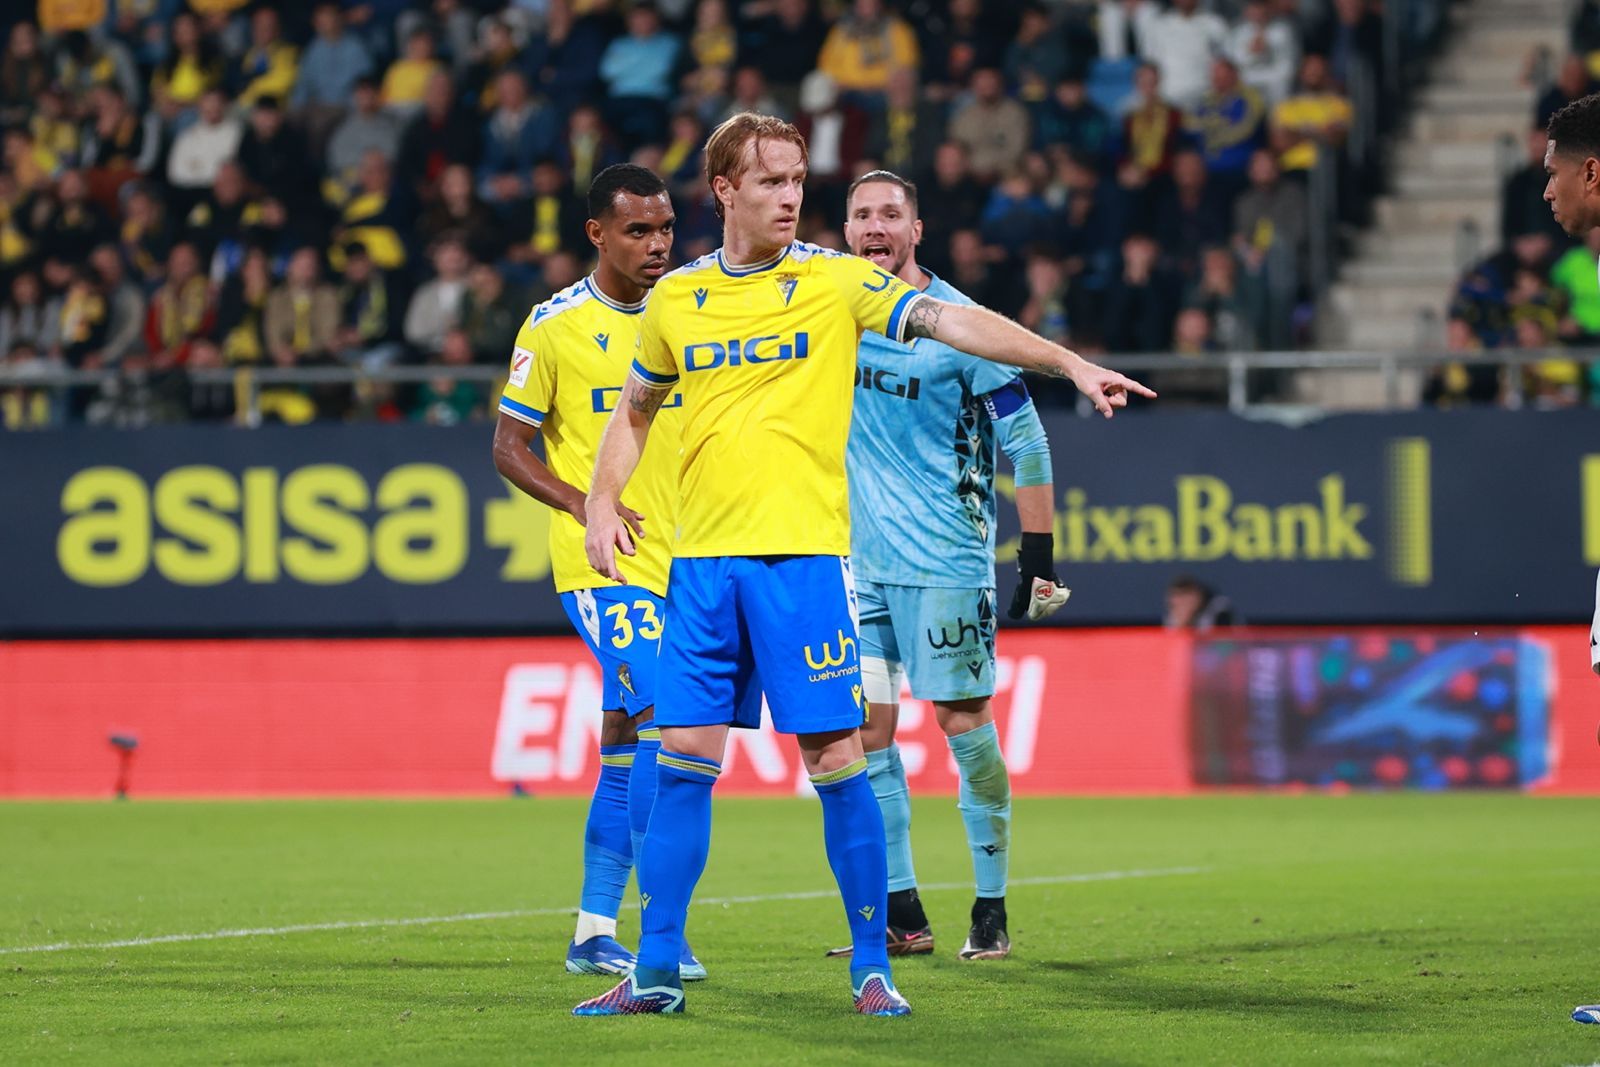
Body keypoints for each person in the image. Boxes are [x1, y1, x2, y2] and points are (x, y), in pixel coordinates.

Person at [575, 112, 1152, 1018]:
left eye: (799, 178)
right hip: (699, 571)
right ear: (724, 190)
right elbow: (636, 411)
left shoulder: (837, 282)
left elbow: (952, 320)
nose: (791, 195)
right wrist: (602, 500)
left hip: (804, 568)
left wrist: (1067, 362)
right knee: (681, 756)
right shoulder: (676, 300)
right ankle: (652, 972)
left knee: (839, 754)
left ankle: (872, 967)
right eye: (771, 180)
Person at [824, 168, 1068, 963]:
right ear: (846, 229)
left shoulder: (961, 324)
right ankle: (902, 911)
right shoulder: (834, 307)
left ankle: (990, 905)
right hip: (859, 565)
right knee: (867, 730)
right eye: (861, 214)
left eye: (891, 213)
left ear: (915, 229)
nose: (875, 226)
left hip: (946, 563)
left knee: (963, 726)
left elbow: (1026, 441)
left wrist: (1036, 555)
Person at [489, 164, 703, 982]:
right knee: (662, 716)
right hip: (604, 565)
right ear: (597, 235)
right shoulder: (552, 327)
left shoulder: (690, 308)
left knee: (624, 739)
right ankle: (663, 932)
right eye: (639, 232)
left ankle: (590, 931)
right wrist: (589, 507)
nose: (657, 246)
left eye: (666, 230)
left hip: (689, 560)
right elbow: (509, 447)